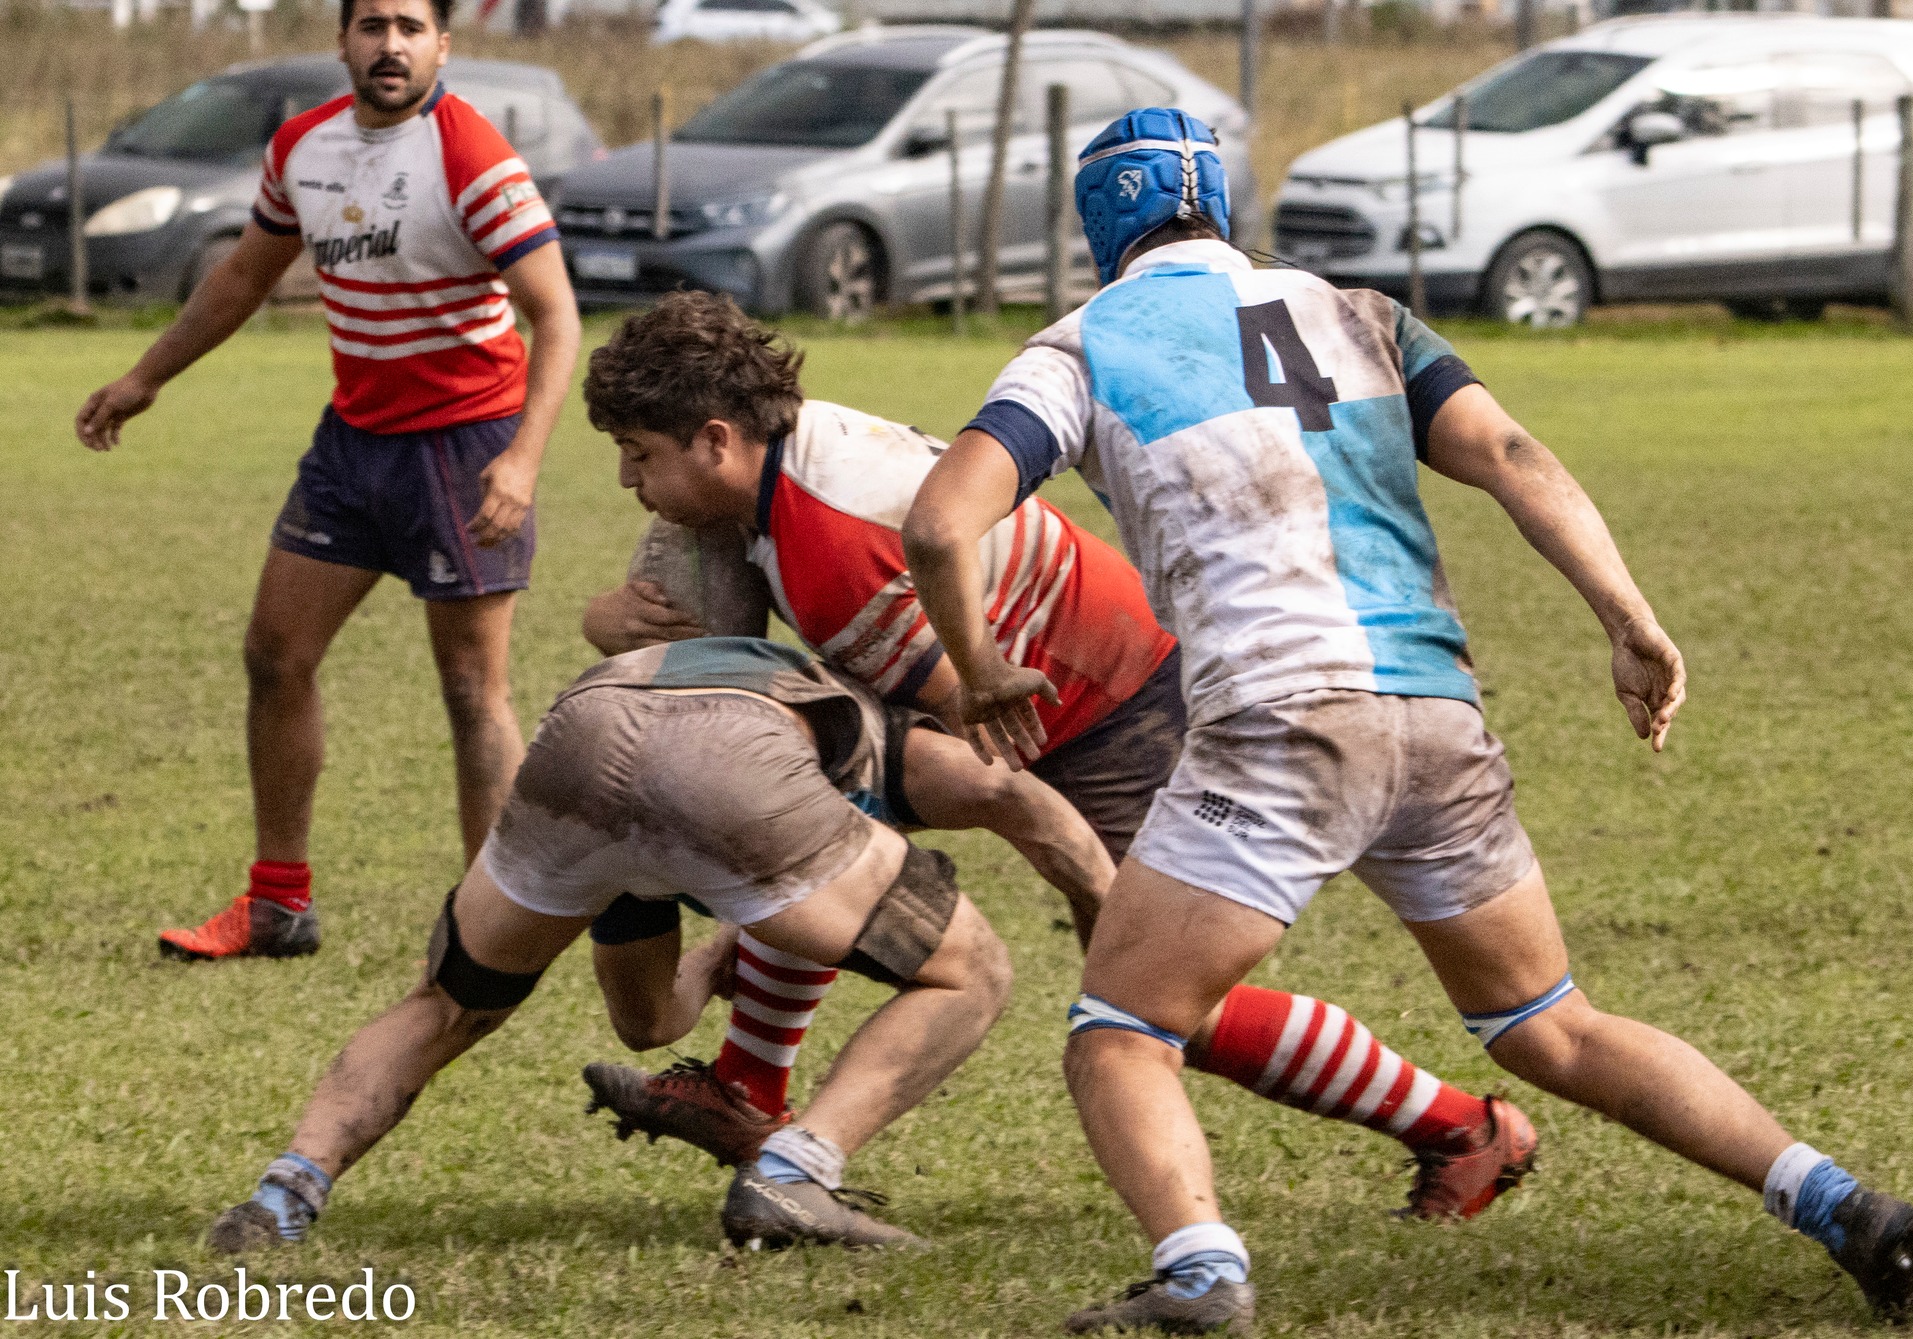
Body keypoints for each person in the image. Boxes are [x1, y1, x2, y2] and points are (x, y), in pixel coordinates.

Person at [898, 109, 1913, 1333]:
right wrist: (1626, 615)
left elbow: (933, 524)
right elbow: (1507, 450)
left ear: (1097, 226)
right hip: (1437, 716)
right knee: (1551, 1028)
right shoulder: (1363, 316)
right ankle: (1835, 1200)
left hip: (1281, 719)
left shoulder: (1075, 349)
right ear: (1219, 202)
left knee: (1121, 1027)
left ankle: (1198, 1272)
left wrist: (976, 666)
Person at [572, 293, 1536, 1222]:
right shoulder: (791, 455)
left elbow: (985, 751)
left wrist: (1070, 876)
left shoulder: (832, 552)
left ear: (715, 439)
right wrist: (604, 619)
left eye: (637, 453)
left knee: (1159, 1006)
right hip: (1059, 679)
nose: (627, 481)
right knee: (825, 838)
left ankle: (1461, 1129)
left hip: (1111, 705)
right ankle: (748, 1084)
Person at [207, 634, 1100, 1253]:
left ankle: (284, 1192)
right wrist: (1105, 899)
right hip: (729, 754)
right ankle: (797, 1170)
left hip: (581, 740)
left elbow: (649, 1022)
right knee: (972, 969)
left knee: (448, 1005)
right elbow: (1007, 794)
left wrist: (722, 952)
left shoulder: (739, 670)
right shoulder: (886, 728)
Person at [73, 0, 579, 961]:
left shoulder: (472, 155)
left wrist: (520, 457)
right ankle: (278, 905)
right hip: (353, 444)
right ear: (342, 40)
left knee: (474, 691)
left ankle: (491, 932)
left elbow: (555, 316)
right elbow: (239, 279)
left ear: (442, 44)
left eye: (410, 27)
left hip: (464, 446)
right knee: (276, 653)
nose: (391, 44)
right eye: (371, 25)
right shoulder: (302, 146)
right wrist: (144, 378)